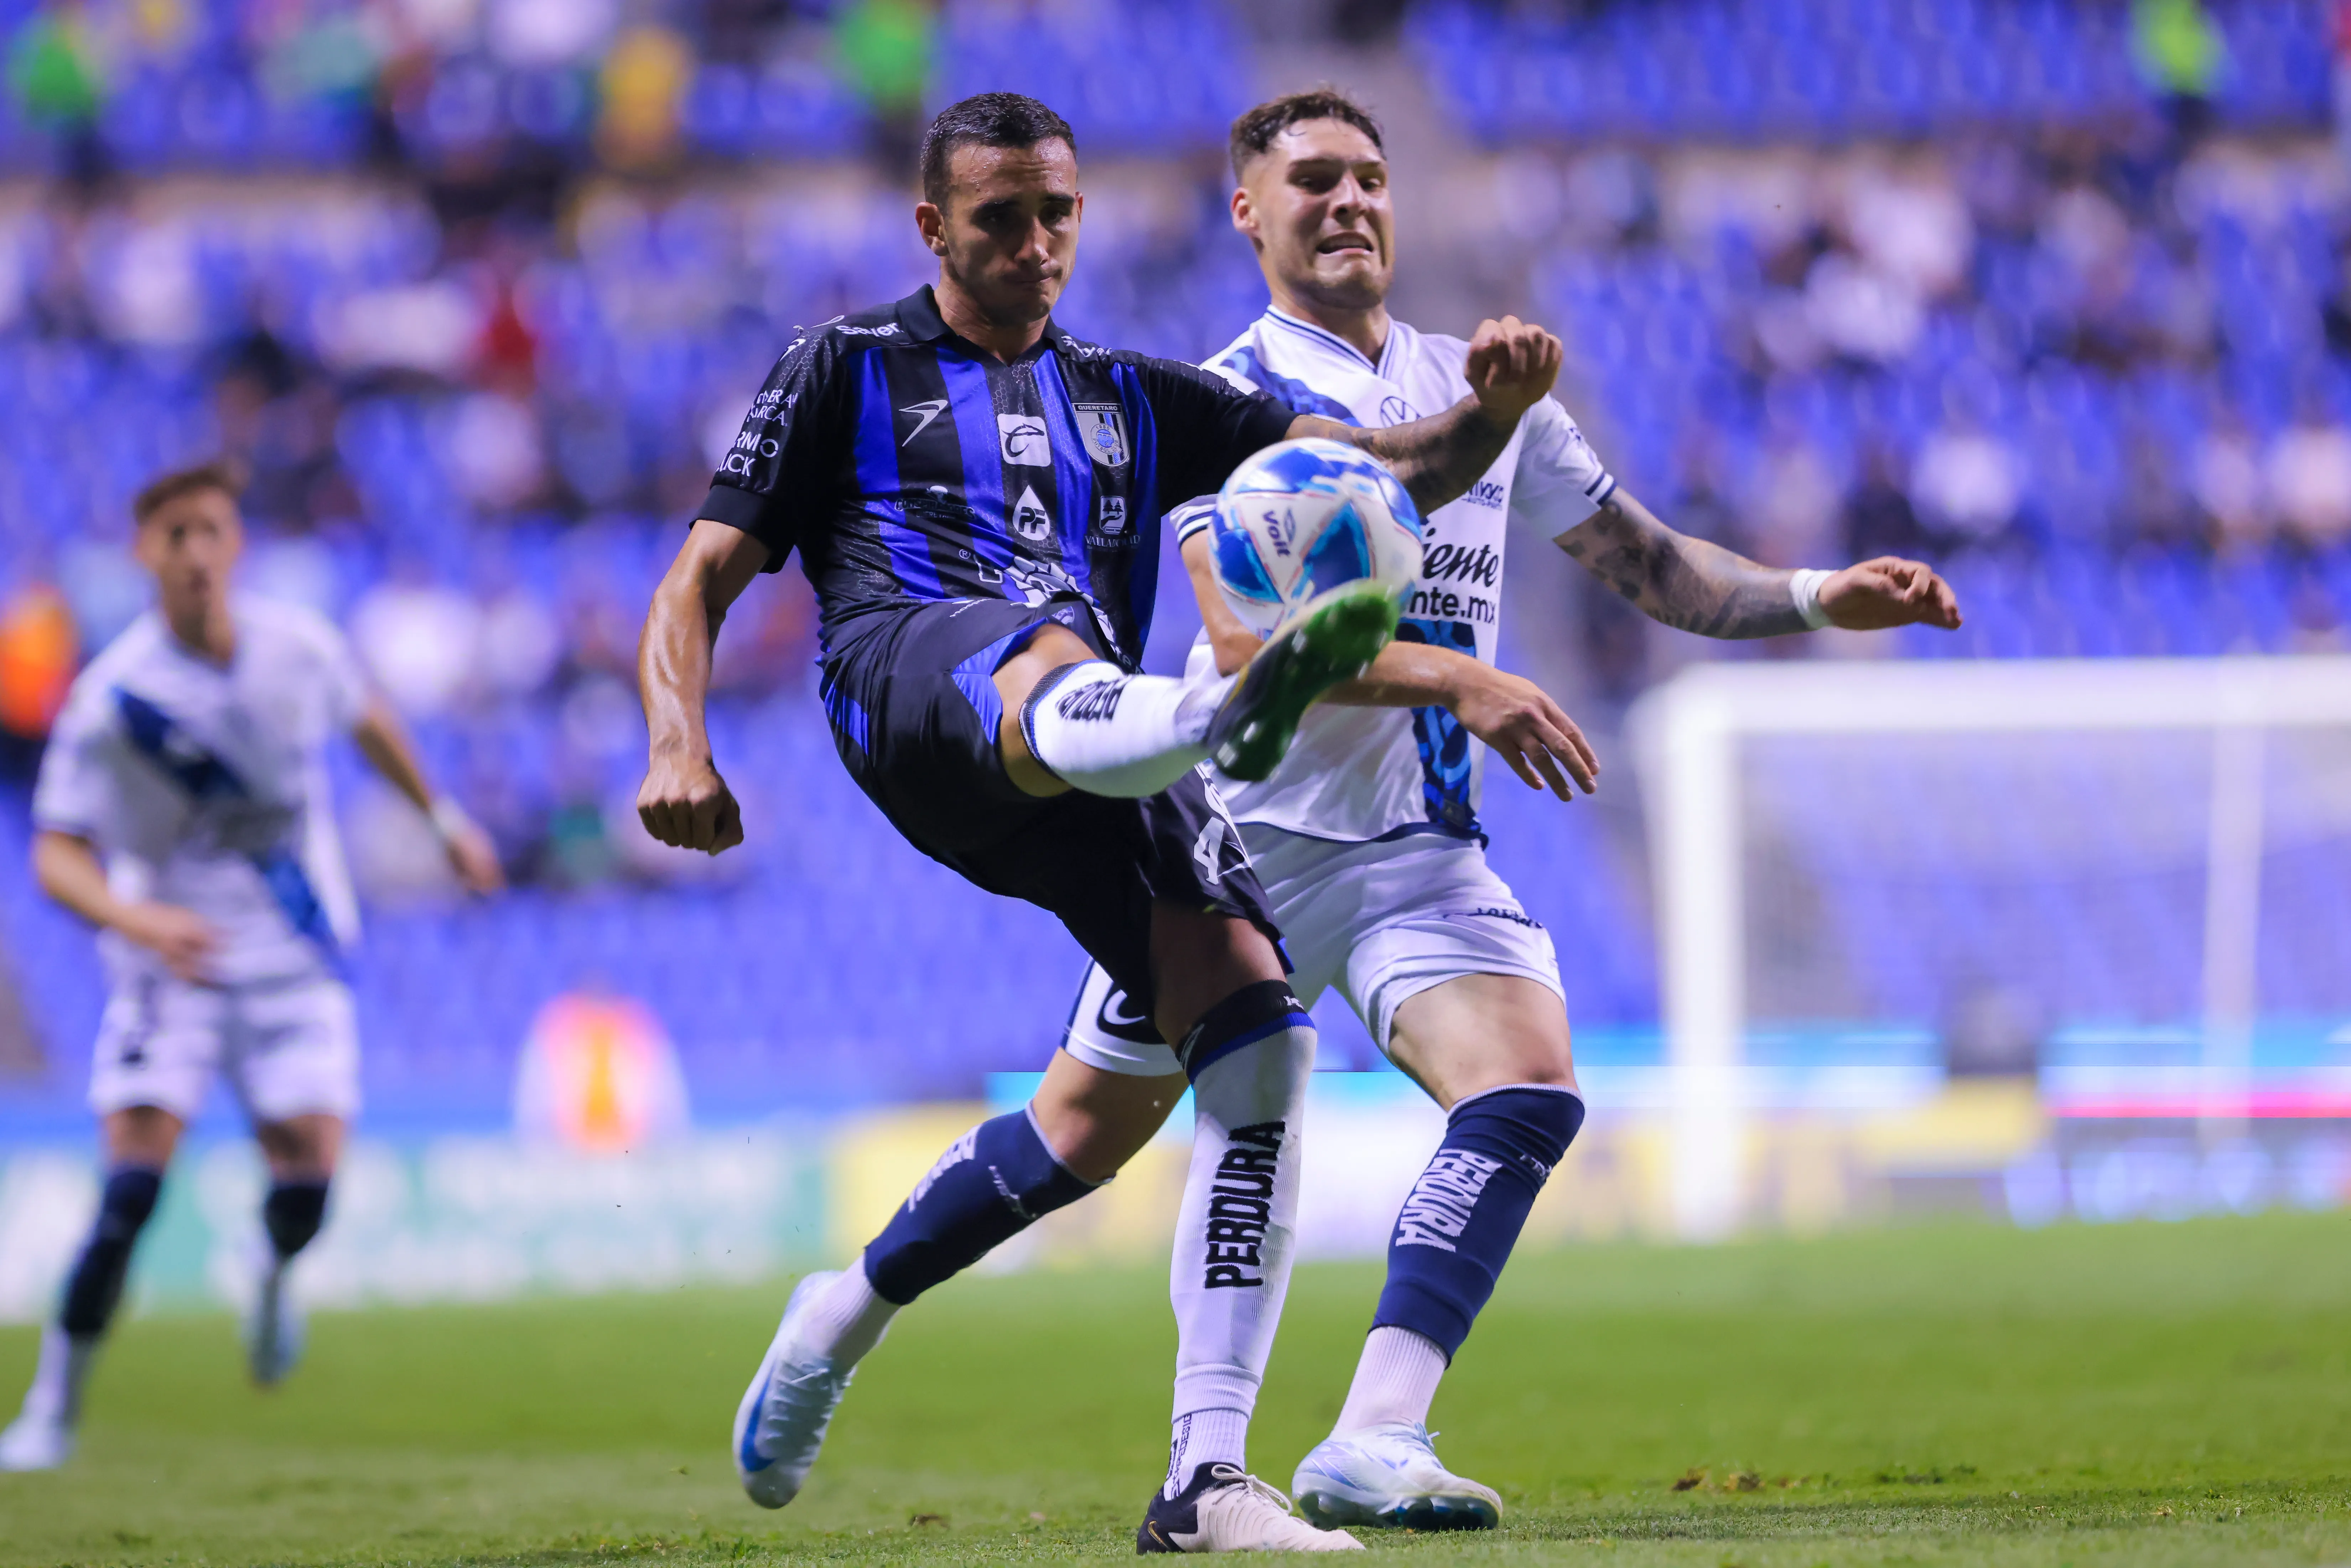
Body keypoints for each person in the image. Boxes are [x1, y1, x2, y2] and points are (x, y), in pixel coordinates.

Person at [693, 87, 1966, 1550]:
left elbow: (1656, 566)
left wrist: (1817, 596)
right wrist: (1458, 675)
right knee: (1072, 1142)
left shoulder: (1476, 394)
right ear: (1249, 213)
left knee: (1528, 1087)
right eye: (1313, 181)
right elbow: (1251, 654)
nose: (1350, 200)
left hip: (1417, 843)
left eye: (1368, 175)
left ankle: (1373, 1433)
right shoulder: (1212, 402)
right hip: (1243, 834)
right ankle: (849, 1306)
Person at [634, 92, 1566, 1553]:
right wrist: (677, 740)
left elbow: (1378, 469)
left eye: (1057, 212)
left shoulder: (1135, 396)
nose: (1036, 241)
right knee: (1050, 649)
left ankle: (1199, 1475)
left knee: (1255, 1038)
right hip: (919, 686)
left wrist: (1490, 414)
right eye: (1000, 216)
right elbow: (697, 578)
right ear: (932, 225)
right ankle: (1220, 711)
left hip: (1097, 761)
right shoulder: (844, 364)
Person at [0, 461, 503, 1472]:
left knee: (306, 1193)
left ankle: (269, 1272)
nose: (196, 553)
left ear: (237, 545)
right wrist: (137, 918)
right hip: (172, 971)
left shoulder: (298, 649)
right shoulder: (112, 700)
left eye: (212, 531)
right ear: (144, 554)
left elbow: (370, 722)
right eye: (175, 535)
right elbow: (56, 853)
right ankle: (52, 1406)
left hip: (294, 960)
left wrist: (445, 821)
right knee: (129, 1195)